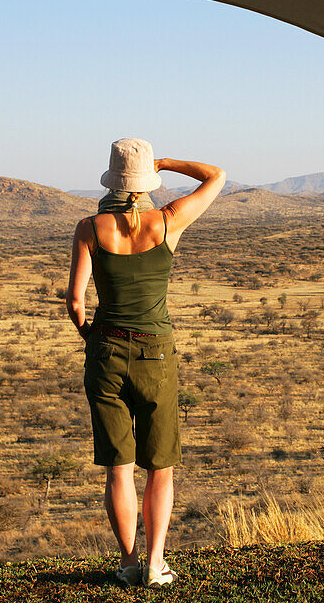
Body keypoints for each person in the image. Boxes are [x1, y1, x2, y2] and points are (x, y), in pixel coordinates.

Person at [66, 138, 224, 588]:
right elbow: (217, 176)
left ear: (112, 181)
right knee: (161, 466)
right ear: (147, 182)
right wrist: (167, 163)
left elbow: (76, 301)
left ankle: (129, 561)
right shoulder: (168, 222)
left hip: (106, 351)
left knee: (119, 467)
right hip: (156, 352)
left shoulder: (88, 228)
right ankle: (157, 564)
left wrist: (93, 337)